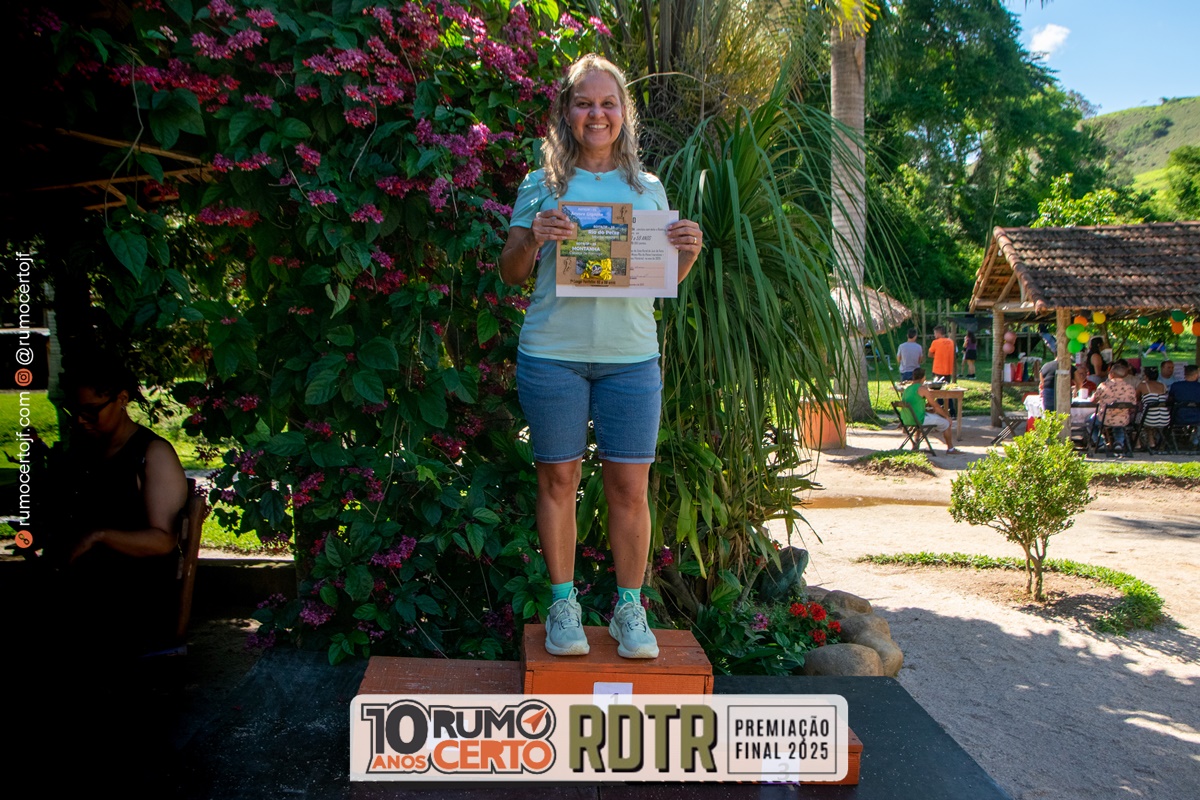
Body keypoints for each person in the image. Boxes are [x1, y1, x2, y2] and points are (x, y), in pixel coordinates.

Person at [500, 54, 703, 659]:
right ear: (566, 111)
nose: (597, 113)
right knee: (558, 479)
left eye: (608, 103)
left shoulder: (647, 188)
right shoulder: (541, 184)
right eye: (584, 102)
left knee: (630, 487)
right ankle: (563, 605)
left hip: (631, 359)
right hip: (552, 354)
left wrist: (686, 252)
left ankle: (629, 610)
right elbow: (511, 273)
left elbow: (657, 280)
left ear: (623, 113)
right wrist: (535, 237)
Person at [45, 356, 190, 657]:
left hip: (136, 595)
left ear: (122, 399)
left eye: (91, 411)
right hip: (95, 586)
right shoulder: (89, 451)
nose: (80, 420)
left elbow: (164, 540)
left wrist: (99, 536)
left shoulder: (152, 453)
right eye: (74, 411)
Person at [898, 367, 958, 454]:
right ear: (923, 378)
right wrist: (947, 416)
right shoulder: (922, 389)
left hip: (906, 419)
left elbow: (914, 404)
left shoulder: (907, 389)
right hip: (919, 419)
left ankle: (916, 444)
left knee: (925, 420)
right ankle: (950, 449)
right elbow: (935, 406)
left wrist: (926, 409)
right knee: (946, 423)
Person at [1089, 361, 1137, 455]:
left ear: (1112, 374)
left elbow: (1093, 400)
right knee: (1119, 423)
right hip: (1123, 420)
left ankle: (1100, 443)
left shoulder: (1104, 386)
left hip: (1105, 419)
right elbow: (1133, 405)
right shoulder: (1130, 388)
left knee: (1090, 421)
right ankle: (1119, 443)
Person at [1136, 366, 1170, 450]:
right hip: (1165, 418)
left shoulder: (1142, 385)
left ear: (1145, 376)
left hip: (1149, 418)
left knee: (1135, 419)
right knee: (1148, 419)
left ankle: (1137, 444)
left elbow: (1136, 398)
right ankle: (1152, 442)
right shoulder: (1163, 385)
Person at [1167, 364, 1200, 449]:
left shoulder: (1176, 386)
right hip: (1197, 418)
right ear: (1196, 374)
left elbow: (1170, 400)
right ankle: (1195, 441)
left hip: (1179, 417)